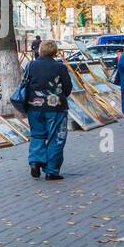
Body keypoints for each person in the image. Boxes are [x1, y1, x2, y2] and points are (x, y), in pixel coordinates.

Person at [24, 40, 72, 180]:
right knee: (56, 137)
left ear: (40, 50)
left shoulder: (31, 65)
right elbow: (67, 88)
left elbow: (24, 83)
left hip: (34, 107)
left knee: (37, 134)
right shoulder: (60, 67)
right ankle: (51, 171)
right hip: (56, 108)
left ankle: (35, 161)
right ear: (55, 51)